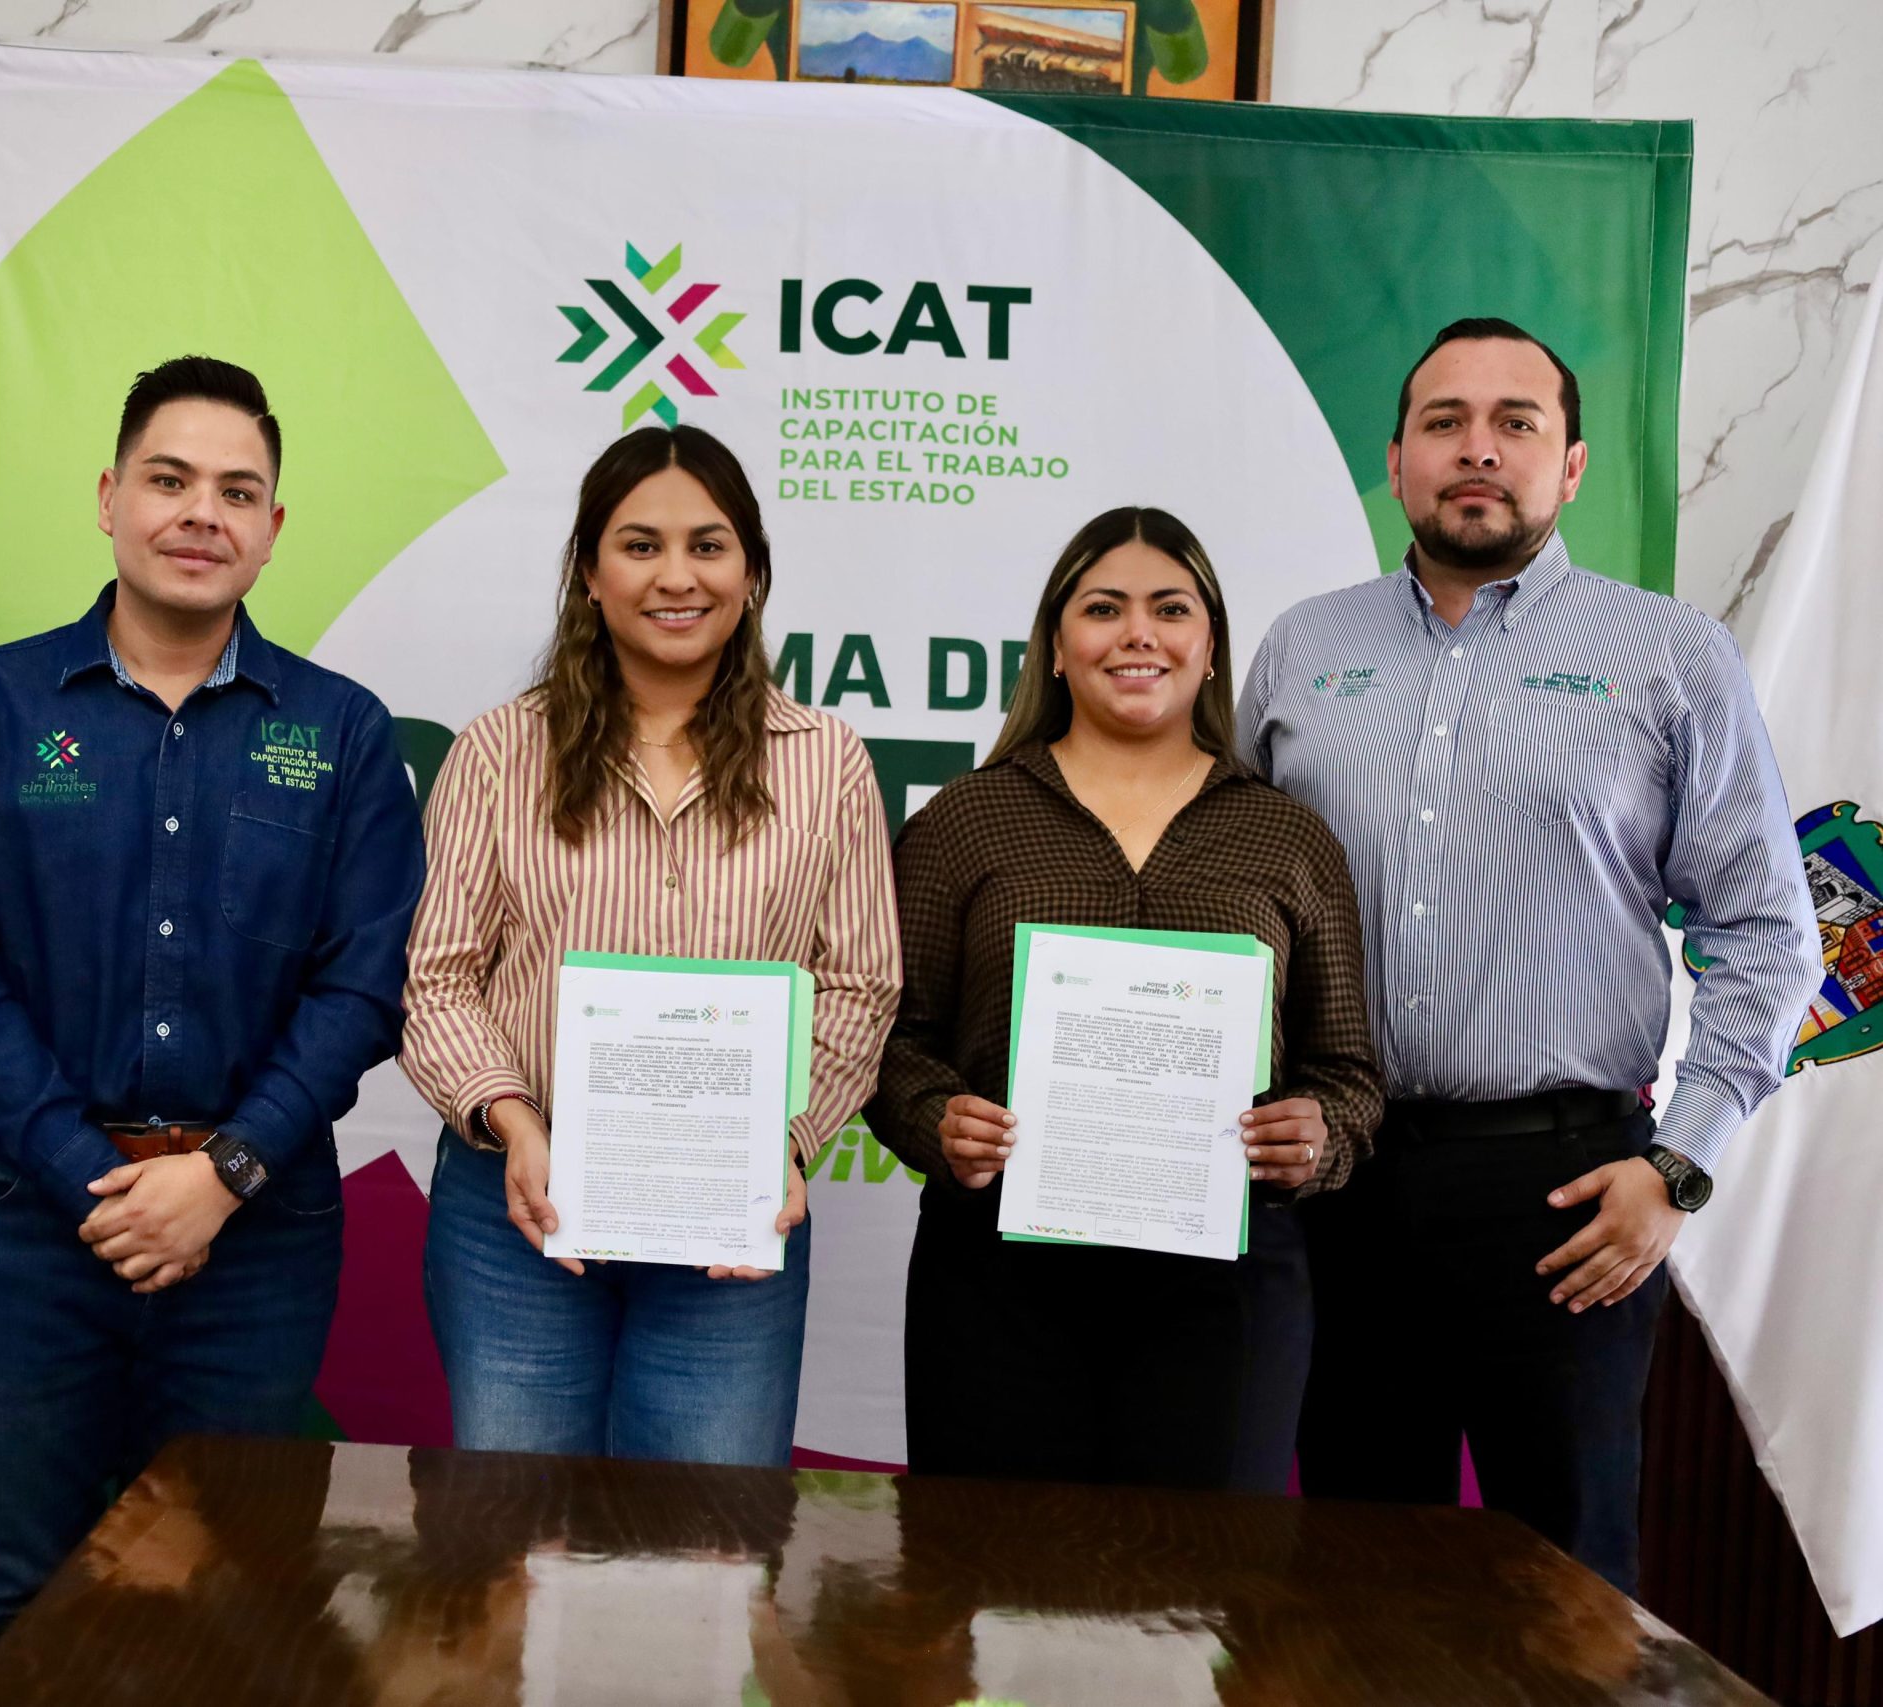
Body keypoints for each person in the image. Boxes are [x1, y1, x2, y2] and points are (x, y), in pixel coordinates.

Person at [0, 355, 425, 1701]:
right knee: (3, 1583)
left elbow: (364, 985)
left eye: (236, 490)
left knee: (231, 1598)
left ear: (273, 528)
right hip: (22, 1226)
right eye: (169, 480)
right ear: (110, 496)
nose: (199, 513)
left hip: (255, 1237)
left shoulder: (342, 732)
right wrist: (96, 1179)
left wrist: (221, 1173)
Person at [1244, 318, 1822, 1591]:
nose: (1478, 449)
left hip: (1569, 1196)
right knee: (1349, 1580)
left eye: (1516, 423)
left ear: (1568, 467)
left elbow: (1770, 932)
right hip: (1339, 1183)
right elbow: (1234, 900)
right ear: (1395, 460)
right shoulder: (1301, 651)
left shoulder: (1669, 654)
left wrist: (1678, 1166)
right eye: (1444, 421)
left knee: (1565, 1590)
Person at [400, 424, 899, 1468]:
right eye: (639, 545)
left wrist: (787, 1141)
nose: (677, 576)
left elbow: (858, 987)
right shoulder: (497, 753)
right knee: (518, 1536)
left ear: (752, 575)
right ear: (589, 574)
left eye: (708, 546)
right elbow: (436, 978)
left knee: (705, 1544)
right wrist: (512, 1119)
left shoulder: (828, 762)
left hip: (733, 1214)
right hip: (517, 1215)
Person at [867, 506, 1381, 1493]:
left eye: (1170, 609)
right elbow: (893, 1038)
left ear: (1210, 647)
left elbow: (1347, 1069)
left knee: (1197, 1576)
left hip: (1226, 1288)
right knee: (994, 1569)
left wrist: (1318, 1135)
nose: (1137, 633)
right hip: (999, 1284)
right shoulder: (966, 821)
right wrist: (937, 1118)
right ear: (1057, 649)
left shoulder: (1287, 837)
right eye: (1103, 609)